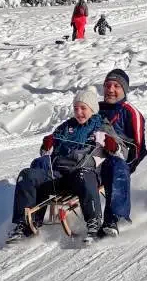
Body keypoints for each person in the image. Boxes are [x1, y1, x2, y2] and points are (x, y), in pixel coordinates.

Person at [7, 87, 125, 243]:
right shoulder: (66, 127)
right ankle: (24, 224)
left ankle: (94, 224)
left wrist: (113, 146)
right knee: (26, 175)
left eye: (83, 108)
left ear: (93, 110)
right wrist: (46, 145)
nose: (79, 112)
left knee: (82, 174)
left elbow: (120, 154)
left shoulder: (102, 127)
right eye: (76, 108)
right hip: (58, 175)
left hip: (85, 174)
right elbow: (46, 153)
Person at [97, 69, 147, 237]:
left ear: (124, 89)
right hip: (91, 157)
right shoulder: (95, 109)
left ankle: (112, 218)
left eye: (116, 86)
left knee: (115, 167)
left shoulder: (130, 112)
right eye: (108, 85)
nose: (111, 89)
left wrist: (127, 166)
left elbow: (139, 146)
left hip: (117, 159)